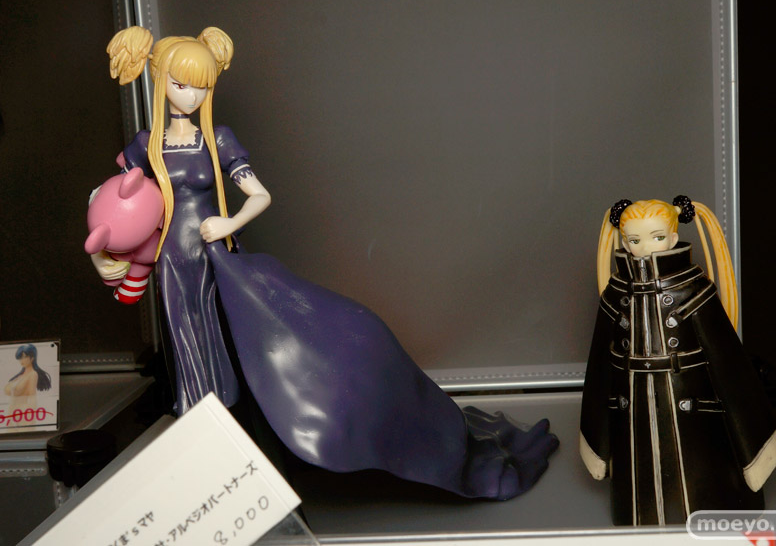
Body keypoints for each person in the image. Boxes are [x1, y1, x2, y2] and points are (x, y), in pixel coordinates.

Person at [92, 26, 558, 500]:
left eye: (201, 86)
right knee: (190, 356)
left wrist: (229, 223)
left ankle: (252, 453)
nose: (192, 95)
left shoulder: (217, 139)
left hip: (217, 259)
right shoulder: (145, 146)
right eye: (181, 84)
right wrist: (106, 256)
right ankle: (206, 458)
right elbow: (112, 204)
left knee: (241, 349)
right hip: (173, 265)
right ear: (161, 81)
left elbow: (259, 195)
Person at [580, 196, 776, 525]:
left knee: (702, 478)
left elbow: (729, 365)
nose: (645, 247)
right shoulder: (616, 292)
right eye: (635, 240)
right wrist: (597, 439)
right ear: (624, 242)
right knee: (638, 484)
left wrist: (753, 440)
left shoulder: (692, 289)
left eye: (657, 237)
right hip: (631, 411)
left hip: (692, 411)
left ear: (673, 238)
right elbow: (599, 371)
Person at [4, 344, 52, 427]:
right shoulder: (20, 376)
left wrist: (31, 416)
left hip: (23, 414)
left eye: (25, 357)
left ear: (32, 358)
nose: (22, 360)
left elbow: (32, 397)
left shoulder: (33, 374)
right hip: (12, 413)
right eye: (20, 357)